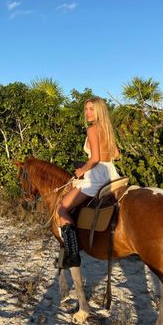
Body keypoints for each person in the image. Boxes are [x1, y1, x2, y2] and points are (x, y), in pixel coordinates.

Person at [57, 96, 120, 268]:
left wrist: (81, 171)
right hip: (111, 173)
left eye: (91, 109)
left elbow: (94, 159)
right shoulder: (108, 129)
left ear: (99, 110)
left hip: (97, 175)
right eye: (86, 109)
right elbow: (116, 155)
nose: (87, 113)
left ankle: (72, 254)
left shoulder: (92, 130)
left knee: (62, 208)